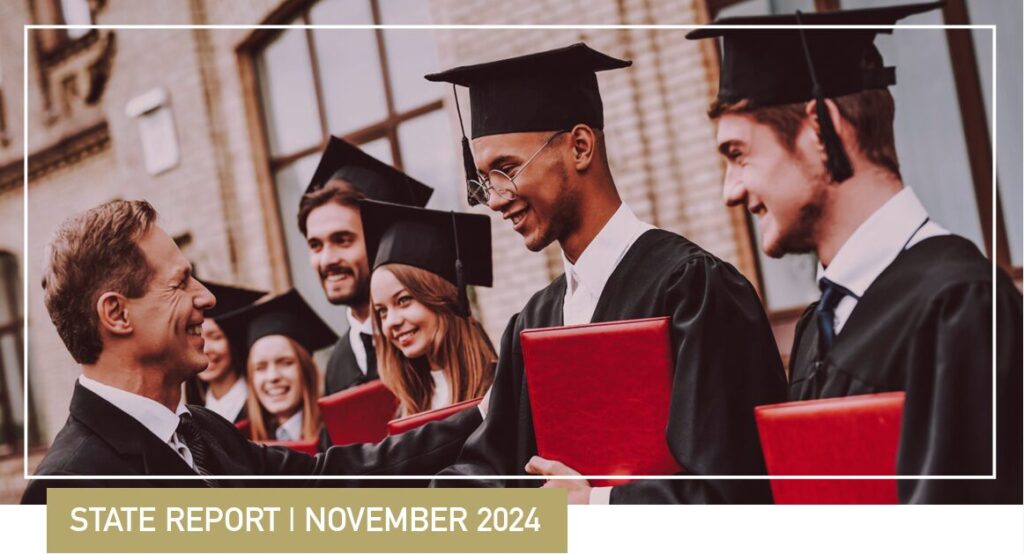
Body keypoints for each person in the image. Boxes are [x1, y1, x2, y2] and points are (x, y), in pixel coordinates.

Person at [425, 43, 789, 504]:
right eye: (485, 179)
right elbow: (488, 469)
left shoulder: (693, 290)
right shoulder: (534, 322)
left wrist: (597, 505)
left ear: (580, 147)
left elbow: (736, 487)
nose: (495, 199)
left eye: (507, 169)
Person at [688, 2, 1022, 503]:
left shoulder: (960, 304)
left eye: (739, 154)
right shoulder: (818, 327)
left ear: (822, 127)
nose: (730, 192)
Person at [22, 200, 490, 504]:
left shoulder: (204, 432)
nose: (207, 298)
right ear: (116, 314)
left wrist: (486, 412)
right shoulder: (66, 490)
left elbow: (330, 476)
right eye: (180, 283)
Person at [298, 137, 433, 396]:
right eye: (316, 245)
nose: (327, 260)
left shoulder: (431, 337)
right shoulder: (337, 365)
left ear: (381, 241)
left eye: (342, 240)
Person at [361, 200, 496, 416]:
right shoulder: (405, 409)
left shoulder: (499, 389)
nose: (391, 321)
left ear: (445, 299)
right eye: (382, 311)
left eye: (403, 300)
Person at [218, 289, 334, 443]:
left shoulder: (336, 433)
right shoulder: (242, 443)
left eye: (285, 363)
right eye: (260, 367)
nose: (272, 376)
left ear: (306, 369)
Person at [184, 282, 266, 423]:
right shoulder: (191, 415)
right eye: (196, 334)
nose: (205, 348)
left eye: (216, 337)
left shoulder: (264, 407)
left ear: (235, 342)